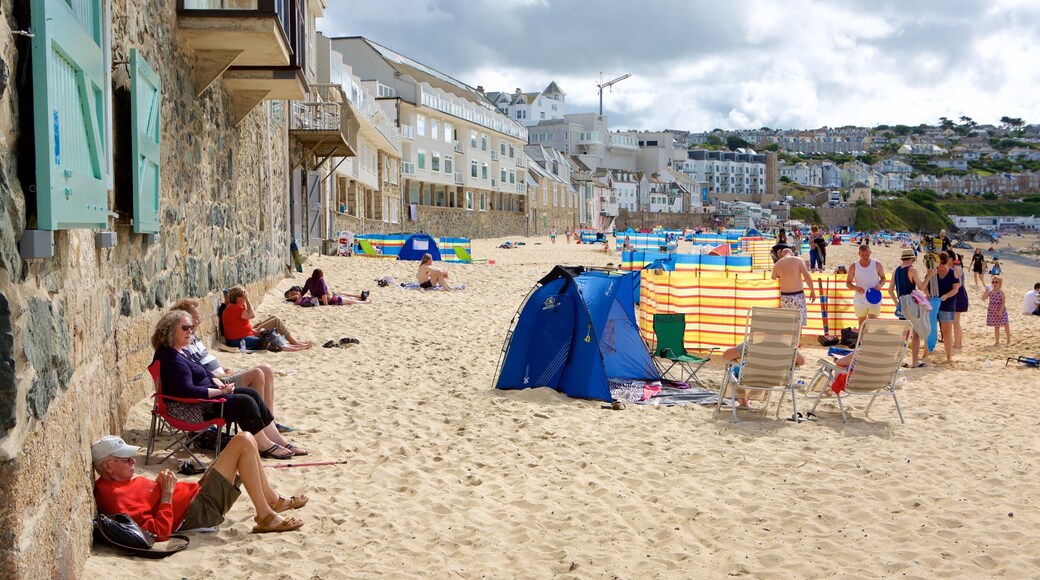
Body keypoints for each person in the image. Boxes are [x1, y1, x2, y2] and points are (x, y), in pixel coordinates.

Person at [153, 310, 308, 459]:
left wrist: (219, 384)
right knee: (245, 403)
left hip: (203, 401)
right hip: (192, 409)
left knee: (251, 394)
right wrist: (219, 392)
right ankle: (265, 445)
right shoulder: (171, 358)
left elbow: (205, 373)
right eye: (186, 328)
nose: (190, 331)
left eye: (191, 328)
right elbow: (187, 391)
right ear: (170, 331)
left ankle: (279, 441)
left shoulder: (181, 352)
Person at [92, 434, 306, 538]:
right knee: (242, 442)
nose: (133, 462)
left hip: (194, 494)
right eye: (126, 459)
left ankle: (271, 502)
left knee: (248, 438)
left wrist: (163, 486)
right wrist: (166, 495)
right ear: (108, 465)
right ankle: (265, 516)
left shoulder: (120, 480)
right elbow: (158, 533)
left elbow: (147, 498)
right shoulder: (116, 498)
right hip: (197, 511)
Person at [170, 299, 289, 430]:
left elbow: (207, 360)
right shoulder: (182, 345)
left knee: (266, 369)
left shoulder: (194, 339)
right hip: (217, 381)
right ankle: (261, 424)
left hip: (222, 374)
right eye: (196, 318)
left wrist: (226, 369)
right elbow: (197, 371)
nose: (199, 321)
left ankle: (270, 420)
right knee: (257, 374)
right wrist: (222, 374)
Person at [222, 287, 312, 351]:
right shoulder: (234, 308)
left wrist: (253, 331)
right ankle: (295, 345)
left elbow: (240, 323)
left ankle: (294, 343)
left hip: (247, 334)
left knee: (275, 318)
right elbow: (252, 315)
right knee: (268, 338)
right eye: (243, 296)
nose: (245, 298)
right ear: (237, 298)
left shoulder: (234, 307)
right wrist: (247, 300)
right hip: (239, 340)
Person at [889, 248, 930, 368]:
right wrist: (929, 276)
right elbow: (921, 287)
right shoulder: (912, 270)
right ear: (912, 258)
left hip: (902, 305)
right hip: (911, 305)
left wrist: (897, 303)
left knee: (903, 335)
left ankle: (899, 361)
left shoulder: (896, 271)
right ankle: (915, 361)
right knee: (916, 333)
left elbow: (890, 290)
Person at [925, 251, 961, 363]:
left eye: (942, 264)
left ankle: (949, 356)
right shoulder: (932, 272)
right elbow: (925, 285)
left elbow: (956, 288)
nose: (940, 266)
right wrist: (927, 293)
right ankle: (926, 353)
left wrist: (946, 295)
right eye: (938, 263)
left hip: (947, 304)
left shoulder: (952, 273)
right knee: (929, 329)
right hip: (932, 303)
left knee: (946, 331)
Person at [771, 248, 817, 326]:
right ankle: (799, 337)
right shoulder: (798, 260)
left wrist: (779, 259)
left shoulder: (777, 264)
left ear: (781, 254)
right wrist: (812, 291)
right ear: (791, 253)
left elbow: (774, 277)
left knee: (788, 323)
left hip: (785, 296)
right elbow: (806, 276)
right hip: (798, 294)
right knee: (799, 322)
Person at [846, 244, 887, 328]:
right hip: (860, 300)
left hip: (874, 298)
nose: (865, 257)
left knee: (871, 324)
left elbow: (883, 278)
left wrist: (880, 285)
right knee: (862, 325)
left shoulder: (877, 264)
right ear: (859, 254)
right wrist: (856, 288)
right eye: (863, 255)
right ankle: (862, 341)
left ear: (870, 253)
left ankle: (869, 341)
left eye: (867, 255)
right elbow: (848, 283)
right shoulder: (853, 266)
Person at [301, 269, 370, 305]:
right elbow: (323, 293)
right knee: (349, 300)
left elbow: (304, 290)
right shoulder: (320, 280)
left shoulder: (309, 280)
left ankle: (361, 296)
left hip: (319, 300)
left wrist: (298, 299)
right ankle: (365, 302)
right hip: (331, 300)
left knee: (344, 295)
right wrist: (326, 304)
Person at [983, 276, 1011, 346]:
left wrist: (1000, 311)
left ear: (1000, 283)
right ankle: (997, 341)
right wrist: (986, 291)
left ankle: (1008, 339)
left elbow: (1003, 303)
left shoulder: (1001, 293)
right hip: (992, 310)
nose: (994, 283)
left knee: (1006, 324)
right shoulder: (990, 291)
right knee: (996, 326)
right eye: (993, 282)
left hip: (1001, 310)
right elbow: (983, 298)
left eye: (996, 282)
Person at [952, 256, 969, 350]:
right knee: (956, 322)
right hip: (959, 293)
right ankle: (959, 343)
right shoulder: (957, 268)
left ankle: (957, 344)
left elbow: (957, 284)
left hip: (958, 294)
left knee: (956, 322)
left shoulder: (957, 269)